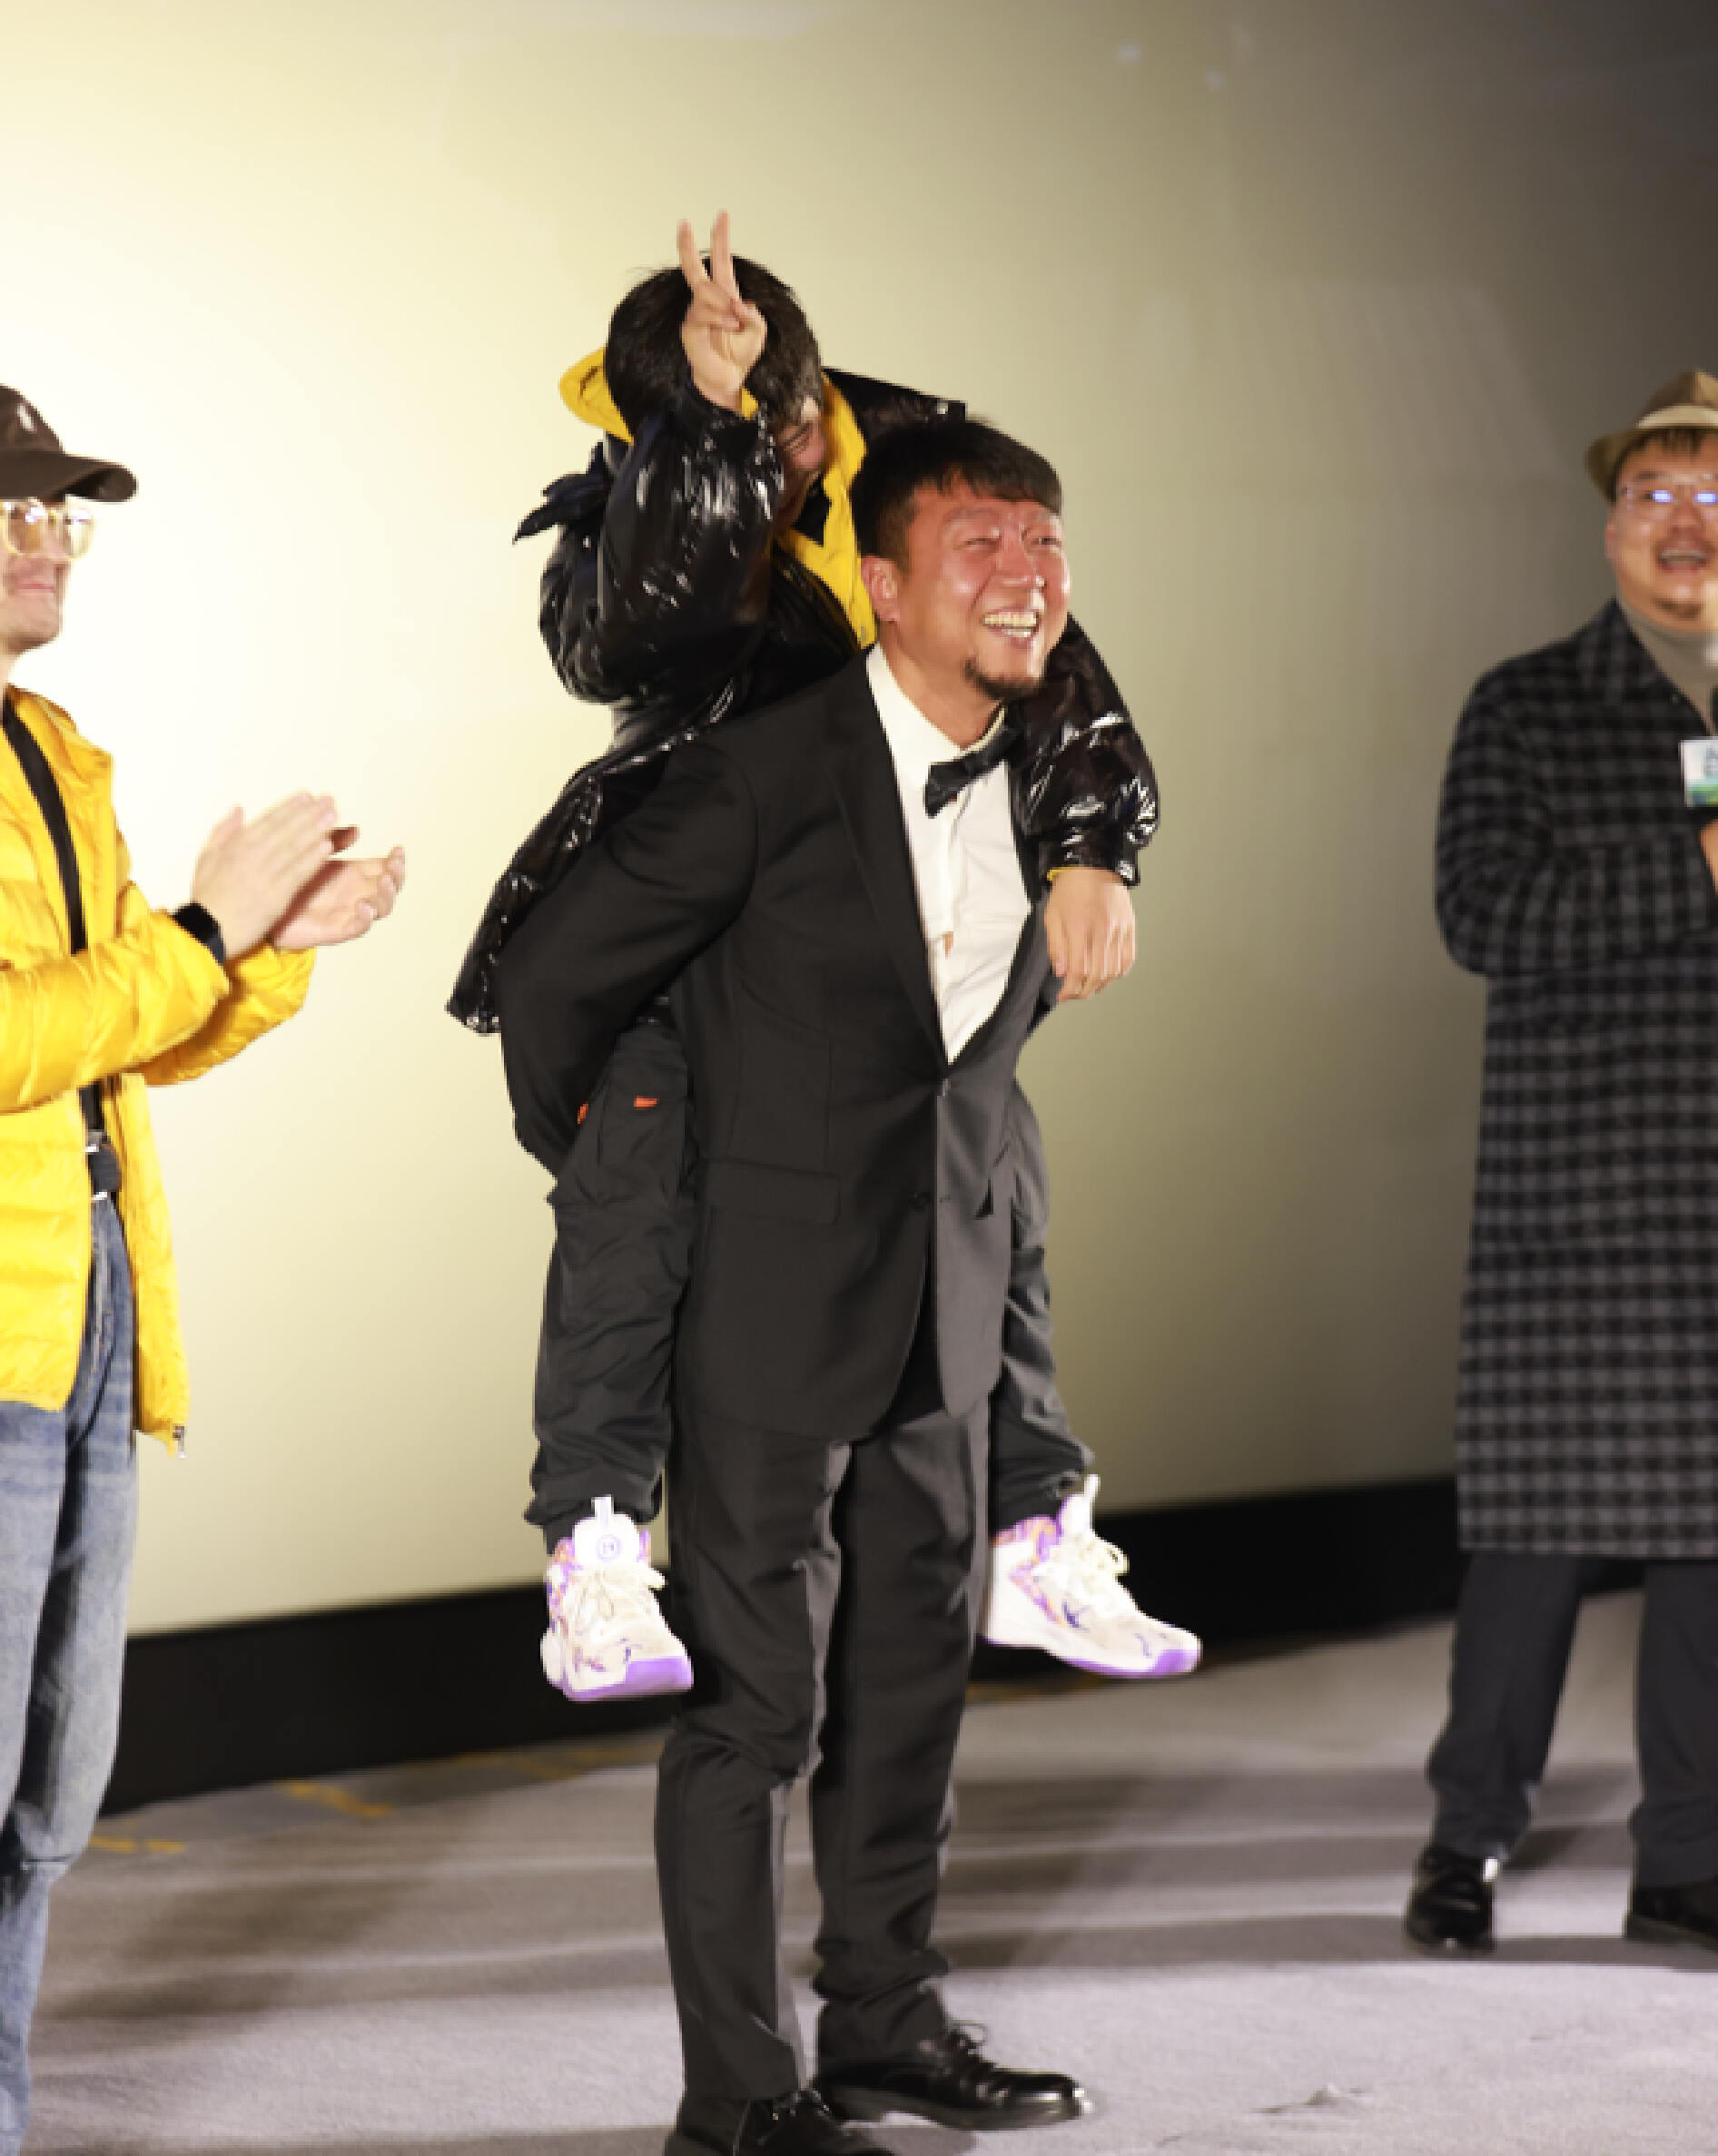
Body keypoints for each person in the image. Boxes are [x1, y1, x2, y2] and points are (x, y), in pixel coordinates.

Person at [453, 222, 1197, 1696]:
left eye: (791, 430)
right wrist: (706, 433)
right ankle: (598, 1542)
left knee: (990, 1160)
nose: (784, 463)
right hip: (706, 913)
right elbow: (643, 634)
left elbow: (1053, 663)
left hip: (866, 922)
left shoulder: (928, 482)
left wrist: (1094, 845)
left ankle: (1039, 1527)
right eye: (752, 439)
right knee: (635, 1169)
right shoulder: (636, 509)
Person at [497, 417, 1104, 2156]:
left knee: (910, 1689)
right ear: (884, 584)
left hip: (943, 1313)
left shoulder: (1063, 786)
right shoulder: (763, 770)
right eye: (982, 542)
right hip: (762, 1311)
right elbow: (559, 986)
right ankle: (740, 2094)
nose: (1024, 573)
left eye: (1045, 540)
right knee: (758, 1708)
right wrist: (652, 1167)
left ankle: (887, 2023)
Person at [0, 385, 405, 2154]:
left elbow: (123, 1033)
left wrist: (265, 952)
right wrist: (199, 931)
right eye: (12, 508)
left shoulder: (51, 749)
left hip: (84, 1322)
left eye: (58, 511)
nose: (45, 538)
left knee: (52, 1785)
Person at [1406, 368, 1718, 1960]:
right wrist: (1704, 868)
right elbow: (1482, 915)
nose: (1689, 522)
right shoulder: (1528, 704)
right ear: (1610, 527)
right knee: (1532, 1551)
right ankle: (1467, 1837)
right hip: (1588, 1192)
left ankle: (1688, 1856)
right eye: (1655, 494)